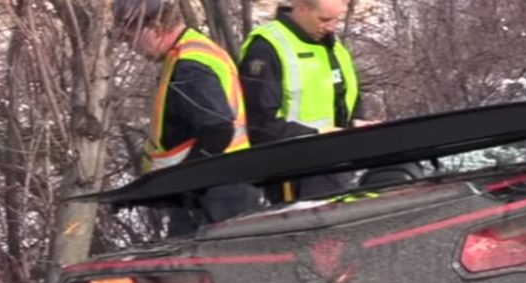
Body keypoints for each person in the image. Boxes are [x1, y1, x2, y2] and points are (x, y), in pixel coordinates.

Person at [112, 0, 260, 236]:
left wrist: (187, 178)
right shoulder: (195, 50)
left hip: (214, 195)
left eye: (131, 38)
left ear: (157, 27)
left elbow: (217, 128)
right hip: (222, 185)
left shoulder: (189, 66)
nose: (132, 48)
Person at [238, 0, 370, 202]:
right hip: (294, 172)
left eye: (336, 19)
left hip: (338, 162)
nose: (331, 26)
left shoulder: (332, 45)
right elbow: (261, 125)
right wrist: (318, 134)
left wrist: (354, 123)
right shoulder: (266, 47)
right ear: (300, 7)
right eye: (324, 19)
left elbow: (346, 95)